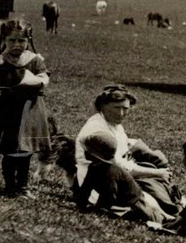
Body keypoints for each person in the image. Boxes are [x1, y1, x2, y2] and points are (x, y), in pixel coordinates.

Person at [73, 86, 180, 218]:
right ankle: (167, 215)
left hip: (120, 171)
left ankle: (175, 206)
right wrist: (156, 173)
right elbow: (119, 167)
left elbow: (124, 151)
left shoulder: (113, 123)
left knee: (158, 181)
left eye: (126, 108)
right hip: (104, 178)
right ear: (103, 106)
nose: (122, 113)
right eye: (117, 108)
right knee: (148, 198)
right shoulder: (97, 130)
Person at [0, 18, 53, 195]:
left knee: (25, 150)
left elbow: (44, 77)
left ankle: (23, 187)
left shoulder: (34, 60)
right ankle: (10, 186)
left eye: (21, 41)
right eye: (12, 40)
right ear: (4, 40)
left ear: (28, 40)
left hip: (30, 110)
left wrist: (38, 81)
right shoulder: (0, 62)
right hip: (7, 112)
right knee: (10, 150)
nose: (17, 45)